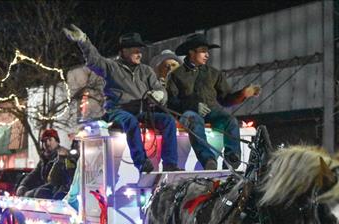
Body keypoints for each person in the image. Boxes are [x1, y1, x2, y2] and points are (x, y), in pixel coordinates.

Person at [63, 24, 182, 173]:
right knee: (130, 121)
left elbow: (160, 90)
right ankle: (141, 162)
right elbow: (94, 60)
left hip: (142, 111)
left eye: (140, 50)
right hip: (118, 111)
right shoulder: (111, 67)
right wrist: (83, 41)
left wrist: (160, 95)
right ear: (124, 50)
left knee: (168, 120)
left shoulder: (146, 71)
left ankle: (170, 164)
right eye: (135, 50)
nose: (139, 53)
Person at [167, 33, 261, 170]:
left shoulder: (214, 73)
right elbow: (171, 103)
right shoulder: (177, 75)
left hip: (212, 112)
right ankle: (208, 159)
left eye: (207, 51)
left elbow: (225, 99)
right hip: (188, 114)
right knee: (193, 119)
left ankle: (232, 158)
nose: (207, 55)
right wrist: (193, 106)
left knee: (230, 120)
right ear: (191, 52)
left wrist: (243, 94)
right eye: (203, 51)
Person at [16, 129, 74, 199]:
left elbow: (61, 181)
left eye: (50, 140)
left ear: (57, 141)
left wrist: (36, 191)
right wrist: (23, 185)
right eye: (44, 141)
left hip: (59, 194)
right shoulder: (44, 158)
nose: (47, 143)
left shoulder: (65, 156)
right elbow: (34, 174)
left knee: (38, 193)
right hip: (46, 192)